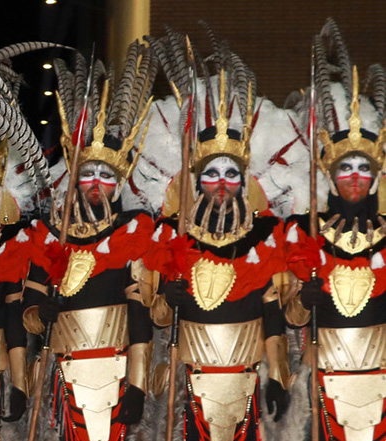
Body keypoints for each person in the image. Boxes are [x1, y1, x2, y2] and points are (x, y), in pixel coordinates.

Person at [144, 32, 291, 440]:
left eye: (231, 173)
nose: (221, 183)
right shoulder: (171, 236)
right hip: (188, 379)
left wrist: (278, 374)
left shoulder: (265, 235)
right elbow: (155, 317)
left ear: (244, 181)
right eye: (211, 173)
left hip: (248, 380)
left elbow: (274, 311)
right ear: (196, 181)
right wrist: (163, 300)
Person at [21, 43, 157, 441]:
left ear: (119, 183)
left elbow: (140, 318)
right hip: (64, 372)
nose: (96, 184)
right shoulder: (49, 232)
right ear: (75, 178)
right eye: (89, 175)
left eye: (106, 176)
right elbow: (29, 308)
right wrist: (39, 313)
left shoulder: (133, 231)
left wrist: (138, 383)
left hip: (117, 370)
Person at [282, 19, 386, 441]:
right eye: (346, 167)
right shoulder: (306, 233)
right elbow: (287, 312)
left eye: (365, 167)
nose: (356, 177)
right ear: (330, 174)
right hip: (323, 371)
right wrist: (303, 302)